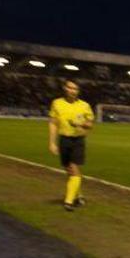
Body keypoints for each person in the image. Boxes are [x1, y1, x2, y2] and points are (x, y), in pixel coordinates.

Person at [48, 80, 94, 211]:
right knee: (69, 170)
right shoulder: (57, 103)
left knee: (73, 168)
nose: (73, 91)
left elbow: (90, 125)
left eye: (75, 89)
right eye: (70, 88)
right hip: (64, 140)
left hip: (78, 140)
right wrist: (52, 142)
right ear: (65, 88)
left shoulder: (84, 106)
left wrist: (80, 124)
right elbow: (53, 123)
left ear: (78, 91)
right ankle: (79, 196)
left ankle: (68, 201)